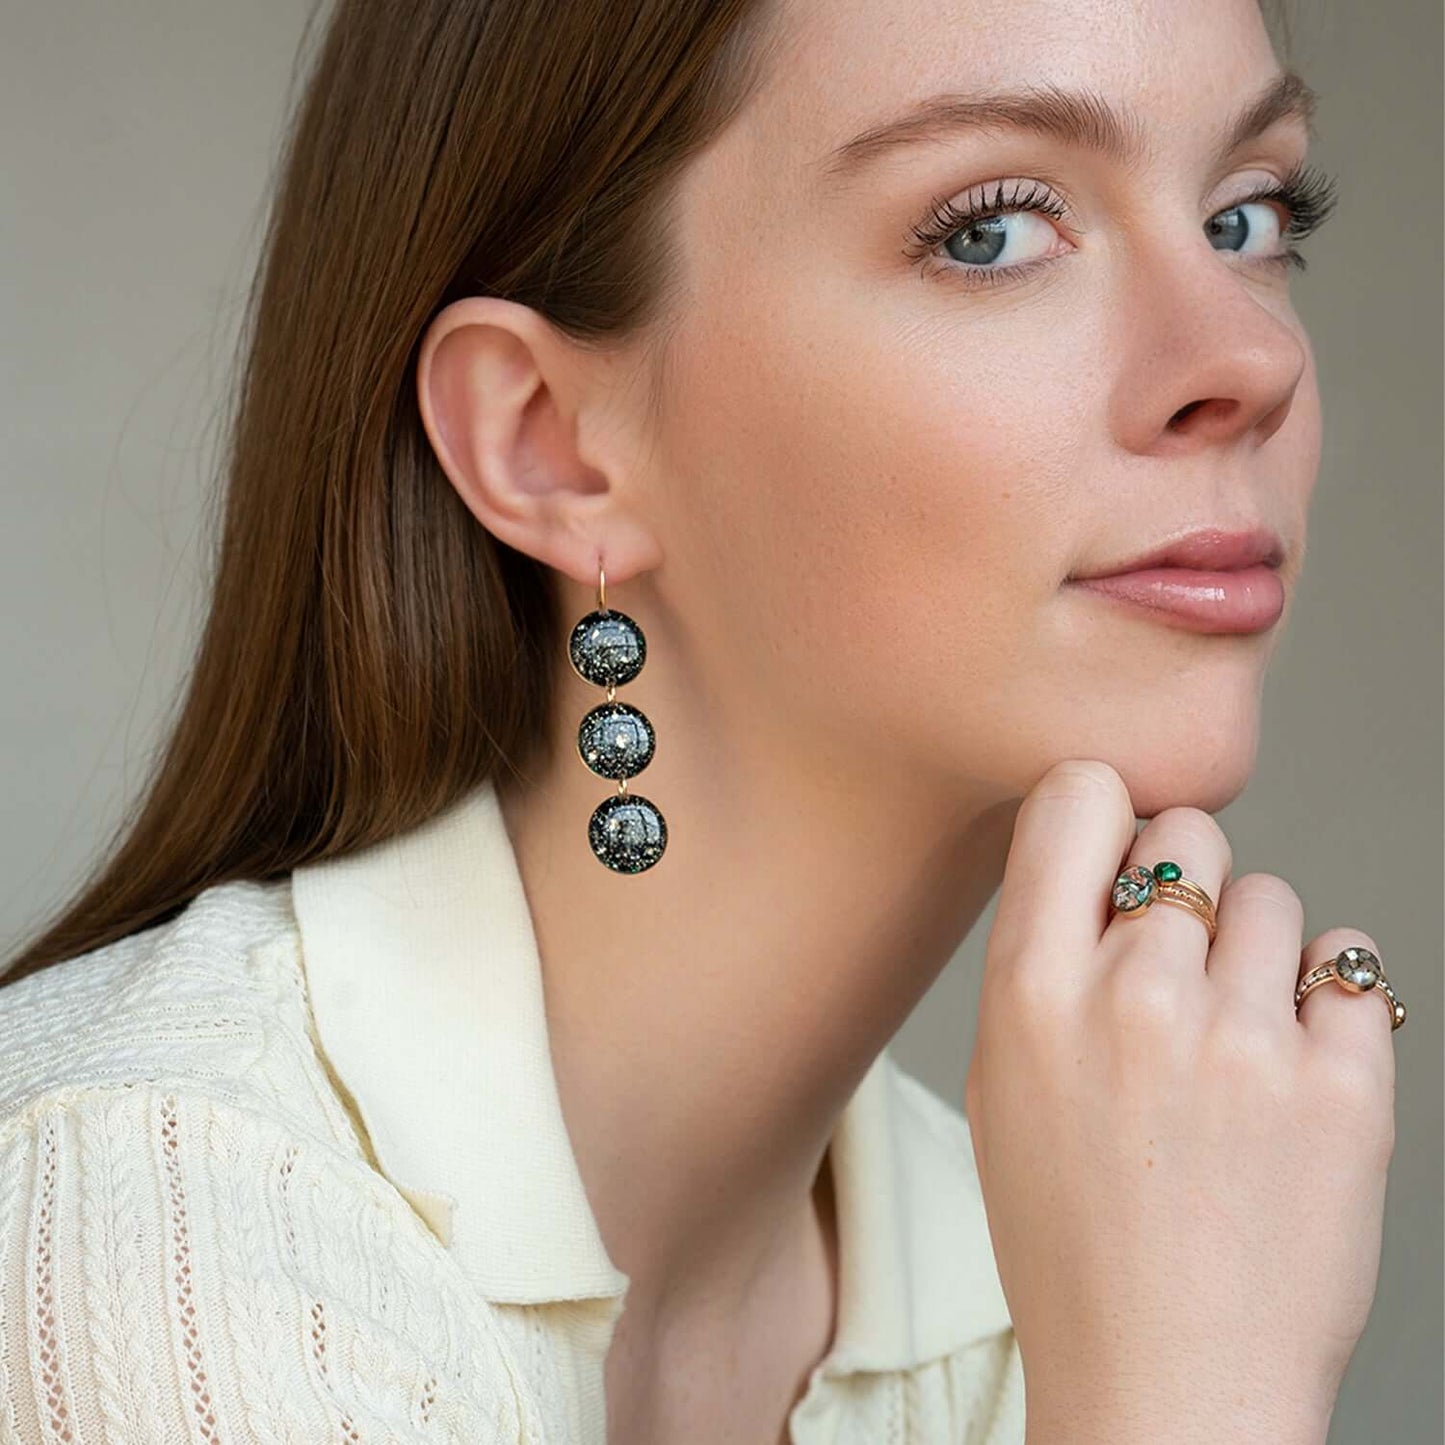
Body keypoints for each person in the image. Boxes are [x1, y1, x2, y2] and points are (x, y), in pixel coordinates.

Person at [0, 0, 1404, 1441]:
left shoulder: (1083, 1270)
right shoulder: (151, 1212)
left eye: (1246, 215)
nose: (1247, 360)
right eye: (990, 228)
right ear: (545, 439)